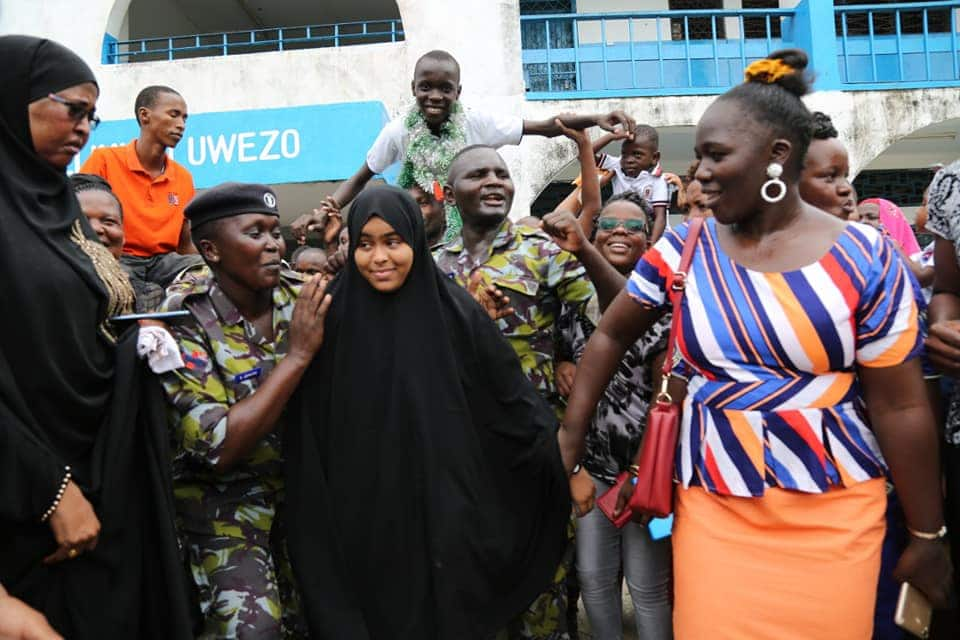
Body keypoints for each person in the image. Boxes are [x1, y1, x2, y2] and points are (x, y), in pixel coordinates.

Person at [559, 49, 952, 639]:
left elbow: (901, 405)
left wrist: (927, 533)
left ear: (777, 156)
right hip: (713, 505)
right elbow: (612, 331)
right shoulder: (683, 248)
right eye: (699, 157)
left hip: (836, 505)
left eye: (717, 155)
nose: (701, 173)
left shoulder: (868, 258)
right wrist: (569, 434)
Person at [284, 185, 570, 640]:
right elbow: (309, 424)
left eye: (393, 242)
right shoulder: (329, 317)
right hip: (362, 522)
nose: (379, 257)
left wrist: (556, 464)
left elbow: (511, 405)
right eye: (365, 244)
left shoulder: (456, 313)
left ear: (416, 241)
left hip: (446, 519)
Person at [0, 35, 193, 639]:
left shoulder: (61, 209)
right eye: (71, 109)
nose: (84, 127)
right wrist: (50, 488)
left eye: (92, 114)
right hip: (25, 495)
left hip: (102, 471)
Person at [435, 128, 623, 640]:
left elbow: (619, 314)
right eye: (478, 174)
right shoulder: (435, 267)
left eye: (502, 173)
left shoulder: (541, 250)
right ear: (450, 194)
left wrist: (585, 250)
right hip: (464, 453)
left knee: (544, 585)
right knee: (476, 585)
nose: (495, 181)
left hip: (534, 445)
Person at [158, 183, 331, 638]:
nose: (275, 244)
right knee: (253, 628)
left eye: (275, 232)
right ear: (211, 249)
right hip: (224, 504)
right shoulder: (183, 317)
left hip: (305, 496)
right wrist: (296, 358)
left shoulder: (304, 297)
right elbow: (219, 447)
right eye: (255, 232)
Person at [293, 49, 637, 243]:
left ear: (458, 92)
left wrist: (596, 118)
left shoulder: (476, 121)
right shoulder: (398, 130)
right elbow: (363, 175)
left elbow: (545, 128)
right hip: (419, 232)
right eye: (426, 87)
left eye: (445, 88)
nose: (435, 96)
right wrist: (324, 209)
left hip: (473, 232)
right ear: (413, 87)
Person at [555, 191, 673, 640]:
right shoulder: (569, 296)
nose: (619, 232)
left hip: (646, 472)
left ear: (649, 239)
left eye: (632, 226)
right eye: (607, 224)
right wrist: (561, 363)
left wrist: (643, 471)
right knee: (594, 581)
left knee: (648, 586)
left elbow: (636, 331)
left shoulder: (664, 299)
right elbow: (552, 353)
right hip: (591, 469)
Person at [80, 84, 202, 290]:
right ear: (144, 116)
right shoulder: (104, 160)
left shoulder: (183, 177)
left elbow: (185, 245)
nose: (181, 124)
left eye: (184, 118)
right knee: (121, 284)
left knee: (209, 274)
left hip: (165, 263)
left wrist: (219, 265)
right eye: (174, 115)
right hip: (118, 259)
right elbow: (77, 221)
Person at [70, 173, 165, 312]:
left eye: (109, 222)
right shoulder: (39, 289)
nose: (96, 229)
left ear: (123, 236)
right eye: (83, 221)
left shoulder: (148, 296)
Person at [592, 125, 670, 242]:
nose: (629, 160)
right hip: (623, 231)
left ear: (655, 157)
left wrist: (651, 246)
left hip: (653, 236)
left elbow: (660, 217)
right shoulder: (617, 165)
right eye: (624, 154)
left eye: (637, 155)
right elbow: (585, 154)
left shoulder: (658, 179)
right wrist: (611, 136)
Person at [798, 111, 857, 220]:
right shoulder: (758, 236)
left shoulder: (865, 236)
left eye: (845, 176)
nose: (847, 188)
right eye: (829, 177)